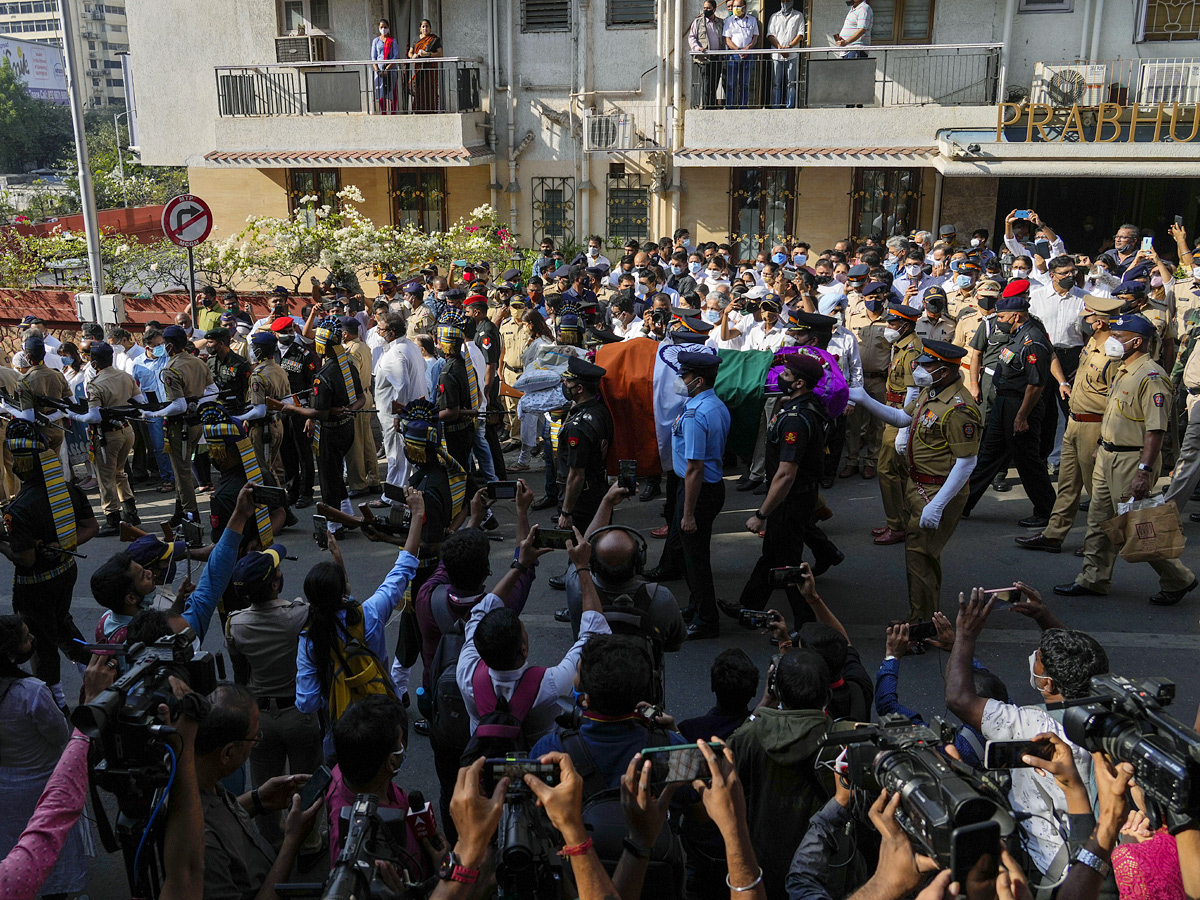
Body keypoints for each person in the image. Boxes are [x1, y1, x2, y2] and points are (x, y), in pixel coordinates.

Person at [946, 589, 1107, 877]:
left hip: (1053, 865)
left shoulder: (1032, 726)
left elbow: (959, 698)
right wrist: (1045, 617)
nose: (1034, 658)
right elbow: (1081, 660)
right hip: (1103, 851)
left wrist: (965, 634)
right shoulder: (1109, 711)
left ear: (1049, 686)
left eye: (1039, 660)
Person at [1054, 314, 1198, 606]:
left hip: (1132, 459)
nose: (1112, 341)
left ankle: (1179, 578)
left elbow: (1155, 430)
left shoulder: (1151, 376)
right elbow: (1114, 414)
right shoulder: (1123, 370)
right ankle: (1093, 578)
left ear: (1137, 342)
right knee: (1099, 520)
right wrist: (1101, 446)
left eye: (1119, 336)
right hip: (1108, 454)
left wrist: (1144, 471)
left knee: (1137, 523)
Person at [851, 340, 981, 622]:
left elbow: (967, 461)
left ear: (944, 371)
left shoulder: (958, 409)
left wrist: (937, 506)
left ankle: (923, 625)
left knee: (921, 556)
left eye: (926, 365)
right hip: (918, 484)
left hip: (937, 490)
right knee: (919, 556)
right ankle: (921, 616)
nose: (918, 368)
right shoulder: (930, 392)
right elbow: (900, 417)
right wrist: (864, 399)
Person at [456, 527, 611, 745]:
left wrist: (520, 565)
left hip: (485, 760)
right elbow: (595, 633)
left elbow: (480, 612)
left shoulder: (466, 672)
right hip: (539, 760)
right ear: (524, 649)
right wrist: (582, 567)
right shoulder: (551, 685)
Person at [225, 544, 323, 846]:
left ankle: (272, 845)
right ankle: (308, 843)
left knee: (264, 788)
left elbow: (241, 675)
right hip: (299, 712)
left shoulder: (235, 624)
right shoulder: (300, 615)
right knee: (308, 784)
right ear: (276, 583)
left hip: (261, 718)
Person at [193, 683, 325, 899]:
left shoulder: (204, 777)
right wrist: (292, 839)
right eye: (254, 739)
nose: (256, 743)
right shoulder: (203, 847)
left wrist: (258, 799)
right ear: (227, 753)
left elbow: (221, 814)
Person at [0, 420, 96, 711]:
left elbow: (25, 558)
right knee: (62, 623)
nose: (14, 463)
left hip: (36, 585)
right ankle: (93, 672)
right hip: (66, 571)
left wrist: (1, 544)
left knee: (41, 644)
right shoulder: (68, 490)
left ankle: (57, 704)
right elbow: (89, 527)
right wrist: (64, 545)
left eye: (17, 458)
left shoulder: (18, 509)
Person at [1018, 295, 1122, 554]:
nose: (1083, 322)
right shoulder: (1092, 344)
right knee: (1067, 484)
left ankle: (1099, 541)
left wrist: (1104, 439)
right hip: (1075, 423)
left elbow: (1116, 398)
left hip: (1094, 426)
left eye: (1087, 318)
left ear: (1099, 322)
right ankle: (1054, 535)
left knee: (1097, 491)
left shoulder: (1113, 351)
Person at [740, 353, 840, 624]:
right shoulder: (803, 406)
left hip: (790, 499)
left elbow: (785, 474)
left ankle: (805, 624)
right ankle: (748, 608)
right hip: (797, 497)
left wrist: (761, 514)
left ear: (799, 383)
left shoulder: (796, 419)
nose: (780, 379)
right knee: (772, 557)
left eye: (785, 376)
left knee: (788, 567)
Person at [0, 615, 92, 899]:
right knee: (51, 851)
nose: (33, 641)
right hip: (45, 787)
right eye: (27, 638)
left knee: (18, 856)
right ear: (11, 652)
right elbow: (59, 736)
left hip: (6, 790)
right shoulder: (32, 692)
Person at [729, 648, 832, 900]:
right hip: (821, 866)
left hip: (762, 862)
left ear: (776, 690)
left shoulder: (749, 736)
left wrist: (762, 705)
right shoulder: (842, 739)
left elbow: (724, 766)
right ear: (827, 696)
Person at [961, 280, 1057, 527]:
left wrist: (1022, 416)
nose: (998, 319)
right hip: (1003, 402)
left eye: (1002, 315)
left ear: (1016, 316)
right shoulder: (1015, 335)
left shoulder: (1032, 340)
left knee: (1028, 462)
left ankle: (1047, 511)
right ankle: (962, 504)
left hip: (1020, 406)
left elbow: (1035, 384)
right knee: (987, 456)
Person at [326, 694, 445, 875]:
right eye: (400, 742)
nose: (402, 746)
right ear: (391, 762)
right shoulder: (362, 854)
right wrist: (441, 874)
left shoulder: (344, 771)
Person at [277, 317, 365, 528]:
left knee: (328, 479)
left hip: (331, 431)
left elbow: (321, 413)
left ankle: (334, 526)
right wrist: (349, 409)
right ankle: (347, 514)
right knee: (335, 473)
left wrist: (292, 408)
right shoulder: (348, 367)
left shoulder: (324, 375)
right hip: (346, 427)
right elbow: (360, 398)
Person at [665, 351, 729, 639]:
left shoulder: (695, 414)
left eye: (685, 376)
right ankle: (696, 604)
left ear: (698, 380)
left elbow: (694, 468)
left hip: (697, 491)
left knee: (695, 558)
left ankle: (706, 619)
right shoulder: (713, 404)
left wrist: (688, 512)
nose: (681, 379)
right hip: (706, 489)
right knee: (684, 550)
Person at [141, 324, 217, 525]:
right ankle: (179, 511)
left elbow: (178, 405)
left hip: (179, 427)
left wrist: (153, 412)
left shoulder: (171, 369)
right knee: (181, 469)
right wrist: (197, 402)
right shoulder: (198, 362)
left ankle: (191, 516)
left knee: (182, 474)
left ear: (170, 345)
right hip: (195, 424)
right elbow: (213, 391)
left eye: (164, 343)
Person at [68, 341, 142, 536]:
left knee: (105, 478)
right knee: (119, 472)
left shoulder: (96, 385)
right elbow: (139, 403)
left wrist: (74, 415)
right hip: (127, 431)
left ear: (94, 362)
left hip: (107, 436)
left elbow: (94, 416)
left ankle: (112, 518)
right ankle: (131, 512)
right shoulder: (125, 377)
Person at [871, 303, 922, 545]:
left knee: (887, 469)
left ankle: (897, 525)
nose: (888, 327)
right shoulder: (901, 345)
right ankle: (903, 520)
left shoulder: (911, 350)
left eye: (893, 323)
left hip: (901, 413)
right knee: (900, 471)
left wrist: (903, 428)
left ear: (905, 325)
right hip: (894, 409)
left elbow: (913, 390)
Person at [554, 356, 615, 540]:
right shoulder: (600, 410)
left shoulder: (577, 427)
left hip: (582, 499)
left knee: (582, 549)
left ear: (580, 388)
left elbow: (576, 474)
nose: (565, 384)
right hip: (598, 490)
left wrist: (566, 512)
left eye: (569, 381)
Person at [239, 331, 291, 492]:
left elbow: (259, 410)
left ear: (258, 351)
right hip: (276, 424)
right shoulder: (279, 369)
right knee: (269, 466)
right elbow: (287, 399)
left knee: (263, 471)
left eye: (253, 348)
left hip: (263, 428)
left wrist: (238, 417)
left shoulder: (258, 375)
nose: (251, 351)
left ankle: (277, 507)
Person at [342, 317, 382, 499]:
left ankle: (359, 483)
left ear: (345, 333)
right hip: (366, 395)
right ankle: (374, 480)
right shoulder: (364, 346)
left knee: (355, 443)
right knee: (367, 441)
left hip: (356, 398)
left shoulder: (352, 351)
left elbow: (352, 378)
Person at [767, 0, 805, 109]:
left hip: (792, 54)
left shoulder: (798, 15)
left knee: (791, 83)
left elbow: (800, 34)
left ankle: (790, 106)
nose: (785, 3)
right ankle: (776, 106)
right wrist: (779, 48)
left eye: (787, 0)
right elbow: (770, 35)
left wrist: (789, 47)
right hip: (776, 55)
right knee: (776, 84)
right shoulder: (774, 17)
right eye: (783, 0)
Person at [723, 3, 759, 110]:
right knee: (731, 83)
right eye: (734, 6)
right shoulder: (729, 21)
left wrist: (747, 49)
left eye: (738, 6)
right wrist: (738, 50)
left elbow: (755, 37)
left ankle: (743, 105)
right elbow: (727, 39)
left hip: (748, 55)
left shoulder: (752, 20)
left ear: (744, 7)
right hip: (733, 55)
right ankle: (730, 106)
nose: (735, 8)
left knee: (745, 83)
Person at [408, 18, 443, 113]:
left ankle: (432, 110)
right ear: (420, 28)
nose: (425, 28)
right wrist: (413, 56)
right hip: (419, 69)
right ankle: (418, 110)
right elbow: (410, 53)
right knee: (420, 89)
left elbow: (440, 53)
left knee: (430, 89)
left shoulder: (434, 39)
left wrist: (428, 54)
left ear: (430, 28)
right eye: (423, 26)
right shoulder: (416, 39)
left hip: (430, 68)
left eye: (427, 26)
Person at [371, 18, 400, 114]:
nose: (383, 29)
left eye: (385, 27)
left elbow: (395, 56)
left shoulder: (392, 40)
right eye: (381, 27)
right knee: (380, 92)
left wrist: (387, 68)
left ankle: (393, 113)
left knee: (392, 91)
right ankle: (383, 112)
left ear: (388, 28)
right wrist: (377, 70)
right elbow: (373, 57)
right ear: (379, 28)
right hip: (379, 70)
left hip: (390, 70)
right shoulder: (375, 41)